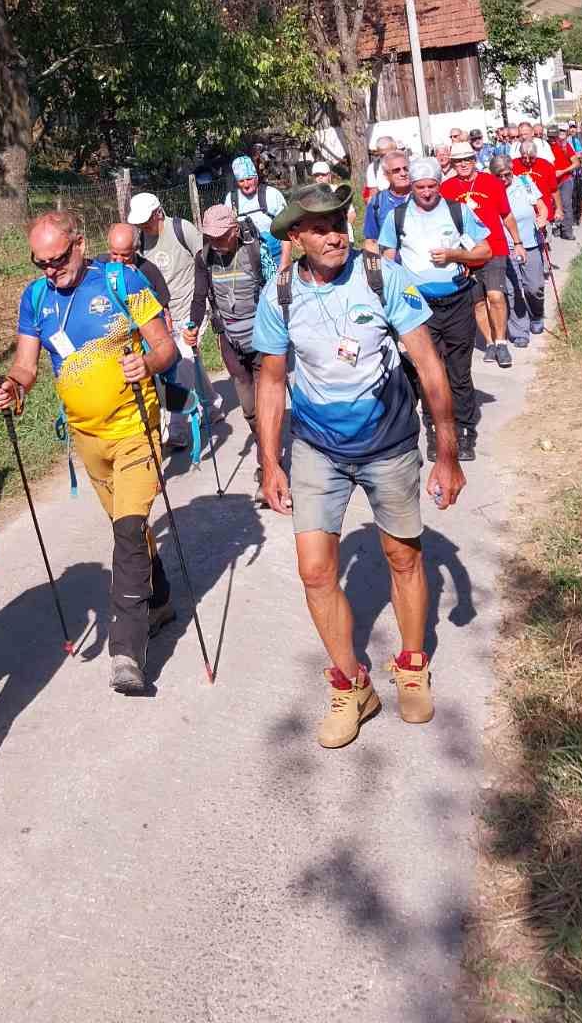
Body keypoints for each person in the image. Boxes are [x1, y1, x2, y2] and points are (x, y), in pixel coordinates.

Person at [252, 184, 465, 748]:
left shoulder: (381, 278)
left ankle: (413, 663)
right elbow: (271, 382)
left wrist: (446, 452)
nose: (334, 235)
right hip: (317, 448)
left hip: (389, 442)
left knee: (403, 555)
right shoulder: (279, 296)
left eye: (338, 222)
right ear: (294, 238)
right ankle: (351, 684)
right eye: (318, 227)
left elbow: (429, 366)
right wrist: (269, 463)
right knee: (316, 571)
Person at [0, 212, 176, 697]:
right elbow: (27, 365)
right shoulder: (35, 298)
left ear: (79, 244)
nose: (51, 270)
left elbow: (166, 348)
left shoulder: (120, 279)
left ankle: (126, 651)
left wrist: (148, 362)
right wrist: (12, 386)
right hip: (87, 439)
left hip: (136, 425)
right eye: (41, 262)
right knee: (125, 524)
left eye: (58, 259)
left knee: (129, 531)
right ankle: (160, 598)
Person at [378, 158, 491, 461]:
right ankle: (434, 429)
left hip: (457, 300)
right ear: (410, 187)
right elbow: (387, 257)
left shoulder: (458, 211)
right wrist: (392, 293)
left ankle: (465, 430)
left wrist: (456, 255)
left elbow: (485, 249)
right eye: (420, 187)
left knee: (459, 371)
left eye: (432, 186)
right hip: (419, 306)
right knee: (428, 371)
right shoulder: (397, 216)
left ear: (440, 185)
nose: (426, 192)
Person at [186, 203, 274, 494]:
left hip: (263, 339)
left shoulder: (254, 251)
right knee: (249, 410)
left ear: (235, 230)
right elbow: (200, 297)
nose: (216, 242)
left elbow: (275, 291)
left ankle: (268, 467)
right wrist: (192, 326)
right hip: (230, 341)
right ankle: (266, 448)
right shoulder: (205, 257)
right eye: (210, 236)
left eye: (221, 236)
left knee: (264, 408)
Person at [125, 193, 211, 444]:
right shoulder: (140, 241)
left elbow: (204, 260)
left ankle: (178, 430)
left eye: (146, 221)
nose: (143, 227)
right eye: (139, 223)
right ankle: (213, 404)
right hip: (161, 314)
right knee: (188, 361)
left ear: (158, 213)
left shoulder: (181, 229)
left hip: (192, 306)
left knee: (180, 362)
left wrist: (202, 300)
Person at [442, 141, 527, 370]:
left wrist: (517, 243)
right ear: (452, 163)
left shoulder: (491, 182)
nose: (463, 164)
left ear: (474, 160)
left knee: (496, 296)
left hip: (495, 248)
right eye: (458, 161)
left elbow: (507, 215)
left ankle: (501, 342)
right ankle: (489, 342)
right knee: (477, 302)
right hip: (465, 253)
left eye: (467, 159)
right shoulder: (447, 188)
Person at [490, 155, 547, 346]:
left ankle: (537, 314)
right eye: (499, 176)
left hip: (529, 241)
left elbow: (541, 206)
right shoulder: (491, 188)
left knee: (534, 286)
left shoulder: (524, 182)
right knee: (512, 290)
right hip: (504, 246)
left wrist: (542, 218)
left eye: (507, 174)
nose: (504, 180)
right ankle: (519, 331)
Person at [362, 148, 412, 249]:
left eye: (406, 168)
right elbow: (371, 240)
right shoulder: (377, 203)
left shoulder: (421, 197)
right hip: (389, 262)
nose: (403, 173)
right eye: (396, 170)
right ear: (386, 175)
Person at [513, 140, 563, 234]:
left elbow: (554, 190)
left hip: (543, 212)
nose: (527, 161)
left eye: (531, 158)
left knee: (543, 241)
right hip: (523, 214)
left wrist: (559, 209)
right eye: (524, 158)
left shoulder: (546, 165)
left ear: (536, 154)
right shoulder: (513, 165)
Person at [548, 126, 578, 242]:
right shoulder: (545, 147)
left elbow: (576, 163)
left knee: (566, 205)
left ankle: (567, 231)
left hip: (565, 179)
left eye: (554, 137)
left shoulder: (565, 146)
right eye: (550, 137)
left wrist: (562, 171)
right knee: (554, 205)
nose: (552, 140)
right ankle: (557, 227)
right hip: (551, 181)